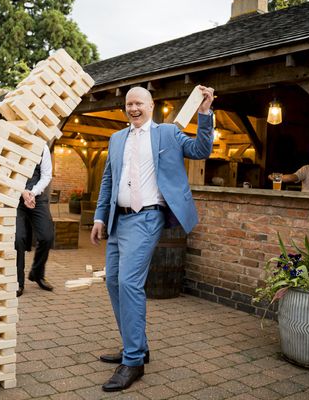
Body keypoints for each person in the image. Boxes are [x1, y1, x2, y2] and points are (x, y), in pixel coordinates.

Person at [90, 85, 214, 392]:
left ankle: (133, 362)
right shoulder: (117, 138)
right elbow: (109, 179)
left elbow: (201, 150)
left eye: (139, 103)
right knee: (113, 281)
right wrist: (99, 216)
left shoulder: (168, 134)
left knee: (129, 283)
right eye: (129, 104)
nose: (133, 108)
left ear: (151, 105)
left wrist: (204, 114)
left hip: (147, 217)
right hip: (118, 219)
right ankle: (137, 345)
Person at [15, 143, 54, 297]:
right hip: (15, 198)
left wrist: (32, 193)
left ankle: (37, 273)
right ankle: (18, 282)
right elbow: (6, 175)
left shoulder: (42, 147)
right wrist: (22, 192)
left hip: (37, 197)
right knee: (18, 238)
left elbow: (46, 175)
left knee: (47, 236)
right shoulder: (13, 143)